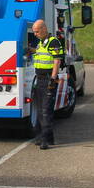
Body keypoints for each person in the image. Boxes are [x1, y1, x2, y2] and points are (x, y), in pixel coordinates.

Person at [29, 18, 64, 149]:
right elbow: (41, 54)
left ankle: (45, 140)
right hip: (39, 79)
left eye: (37, 31)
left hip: (48, 79)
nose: (35, 34)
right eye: (34, 32)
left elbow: (57, 61)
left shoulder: (53, 42)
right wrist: (31, 50)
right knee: (40, 110)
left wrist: (53, 79)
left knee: (46, 110)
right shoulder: (41, 43)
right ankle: (48, 138)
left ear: (44, 29)